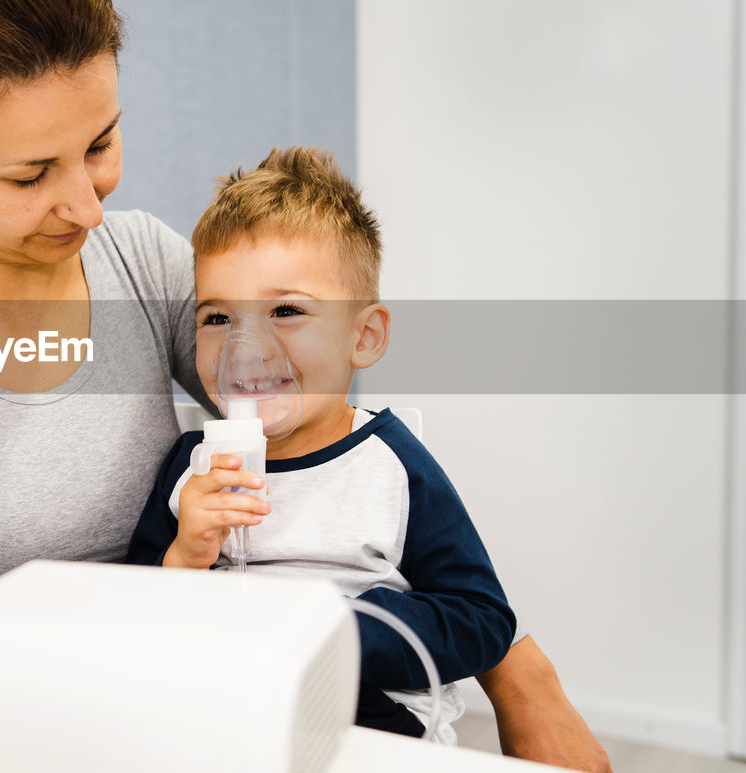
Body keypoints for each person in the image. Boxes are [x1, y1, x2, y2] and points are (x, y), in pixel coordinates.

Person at [0, 0, 610, 769]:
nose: (87, 206)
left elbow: (318, 427)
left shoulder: (139, 262)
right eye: (30, 174)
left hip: (163, 706)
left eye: (100, 145)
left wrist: (520, 669)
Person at [126, 146, 516, 743]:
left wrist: (337, 630)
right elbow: (131, 608)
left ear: (363, 336)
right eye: (218, 319)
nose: (246, 349)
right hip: (221, 704)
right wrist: (184, 556)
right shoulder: (190, 467)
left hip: (363, 717)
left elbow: (481, 620)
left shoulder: (391, 467)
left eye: (285, 310)